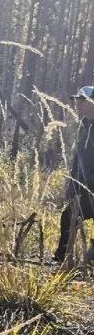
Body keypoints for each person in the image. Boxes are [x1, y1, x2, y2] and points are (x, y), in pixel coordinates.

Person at [53, 85, 94, 263]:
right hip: (85, 188)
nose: (78, 104)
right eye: (77, 100)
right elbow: (77, 160)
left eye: (82, 101)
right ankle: (62, 257)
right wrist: (71, 185)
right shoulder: (83, 127)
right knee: (69, 216)